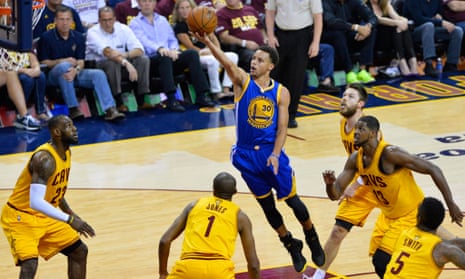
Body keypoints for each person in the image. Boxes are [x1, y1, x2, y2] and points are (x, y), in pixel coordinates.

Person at [192, 31, 325, 272]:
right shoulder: (243, 82)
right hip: (245, 156)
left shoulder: (281, 92)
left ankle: (311, 235)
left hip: (269, 153)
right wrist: (208, 42)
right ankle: (290, 243)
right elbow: (227, 62)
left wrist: (275, 154)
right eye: (253, 58)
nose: (254, 62)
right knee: (268, 207)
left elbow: (283, 128)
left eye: (260, 60)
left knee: (294, 202)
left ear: (271, 66)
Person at [322, 115, 464, 278]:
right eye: (356, 129)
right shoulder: (356, 159)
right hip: (388, 215)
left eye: (361, 129)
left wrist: (451, 204)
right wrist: (329, 184)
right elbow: (336, 193)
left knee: (382, 261)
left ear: (373, 133)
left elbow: (434, 169)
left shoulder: (390, 154)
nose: (356, 133)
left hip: (410, 213)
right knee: (383, 259)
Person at [1, 115, 96, 278]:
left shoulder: (66, 152)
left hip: (43, 215)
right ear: (57, 132)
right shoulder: (45, 159)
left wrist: (70, 212)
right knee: (30, 264)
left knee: (79, 251)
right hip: (21, 216)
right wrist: (70, 220)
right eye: (68, 126)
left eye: (73, 125)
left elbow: (55, 189)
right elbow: (36, 202)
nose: (74, 129)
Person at [312, 83, 379, 279]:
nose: (343, 98)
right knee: (338, 231)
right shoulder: (343, 124)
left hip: (386, 183)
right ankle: (318, 275)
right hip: (364, 185)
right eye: (343, 95)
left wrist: (354, 185)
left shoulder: (371, 129)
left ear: (360, 104)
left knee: (421, 223)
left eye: (350, 96)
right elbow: (355, 161)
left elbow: (374, 163)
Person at [158, 172, 260, 279]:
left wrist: (163, 273)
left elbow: (164, 241)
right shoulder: (240, 217)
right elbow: (253, 265)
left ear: (213, 189)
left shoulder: (194, 205)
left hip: (188, 268)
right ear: (235, 192)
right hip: (219, 272)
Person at [37, 5, 125, 121]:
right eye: (61, 19)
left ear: (72, 21)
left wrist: (76, 70)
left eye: (68, 19)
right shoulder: (46, 37)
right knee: (64, 67)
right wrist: (62, 61)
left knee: (98, 74)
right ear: (55, 21)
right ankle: (73, 108)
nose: (65, 23)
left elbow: (81, 61)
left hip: (74, 72)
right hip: (53, 76)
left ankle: (110, 109)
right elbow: (43, 62)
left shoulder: (78, 37)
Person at [129, 0, 215, 112]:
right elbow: (143, 41)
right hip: (151, 61)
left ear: (154, 3)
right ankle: (171, 98)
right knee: (164, 57)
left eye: (150, 1)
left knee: (192, 54)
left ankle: (202, 95)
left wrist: (174, 50)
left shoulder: (162, 20)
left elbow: (172, 39)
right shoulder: (135, 23)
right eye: (143, 1)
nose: (147, 4)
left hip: (169, 56)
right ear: (139, 4)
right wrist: (160, 49)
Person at [265, 0, 324, 128]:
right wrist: (270, 36)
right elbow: (270, 12)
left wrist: (316, 42)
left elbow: (318, 16)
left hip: (302, 35)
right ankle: (271, 113)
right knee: (275, 75)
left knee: (296, 77)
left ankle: (290, 115)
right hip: (280, 35)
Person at [86, 6, 151, 112]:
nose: (107, 23)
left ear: (115, 19)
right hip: (100, 66)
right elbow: (108, 52)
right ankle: (118, 103)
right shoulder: (92, 32)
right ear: (99, 21)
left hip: (120, 63)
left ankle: (141, 101)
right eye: (104, 20)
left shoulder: (123, 28)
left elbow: (139, 49)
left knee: (143, 59)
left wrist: (124, 55)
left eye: (110, 19)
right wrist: (126, 63)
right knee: (112, 62)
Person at [384, 197, 465, 278]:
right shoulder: (443, 249)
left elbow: (450, 243)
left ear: (418, 217)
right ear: (440, 222)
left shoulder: (405, 233)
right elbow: (449, 245)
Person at [172, 0, 238, 99]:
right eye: (182, 8)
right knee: (212, 61)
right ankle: (216, 92)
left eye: (187, 7)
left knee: (233, 56)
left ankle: (226, 89)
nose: (185, 11)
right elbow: (191, 47)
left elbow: (215, 41)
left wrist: (216, 51)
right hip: (195, 56)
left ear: (193, 8)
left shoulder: (201, 20)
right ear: (177, 11)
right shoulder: (179, 27)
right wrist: (209, 52)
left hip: (209, 52)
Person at [321, 0, 378, 84]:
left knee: (371, 31)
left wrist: (368, 27)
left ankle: (363, 70)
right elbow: (331, 22)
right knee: (337, 33)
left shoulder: (354, 1)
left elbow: (372, 17)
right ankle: (349, 72)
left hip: (348, 34)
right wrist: (355, 27)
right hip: (329, 36)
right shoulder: (325, 2)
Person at [403, 0, 463, 77]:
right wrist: (439, 21)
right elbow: (419, 19)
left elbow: (440, 14)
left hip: (432, 28)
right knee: (428, 25)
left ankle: (451, 64)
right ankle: (429, 63)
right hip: (413, 31)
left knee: (457, 30)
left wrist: (440, 18)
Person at [368, 0, 418, 76]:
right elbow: (377, 19)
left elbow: (396, 17)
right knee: (397, 27)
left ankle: (413, 61)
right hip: (376, 39)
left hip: (390, 39)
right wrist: (397, 23)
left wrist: (404, 21)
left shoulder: (385, 5)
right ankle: (403, 63)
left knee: (402, 28)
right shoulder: (366, 5)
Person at [215, 0, 266, 72]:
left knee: (276, 52)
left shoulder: (250, 9)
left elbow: (261, 28)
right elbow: (224, 37)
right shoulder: (221, 14)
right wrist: (244, 43)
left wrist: (266, 38)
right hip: (241, 49)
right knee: (257, 59)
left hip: (261, 46)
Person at [15, 51, 50, 123]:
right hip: (9, 83)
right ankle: (21, 114)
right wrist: (24, 71)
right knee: (26, 79)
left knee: (41, 76)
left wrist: (34, 71)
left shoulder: (27, 51)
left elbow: (37, 69)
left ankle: (40, 112)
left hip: (27, 77)